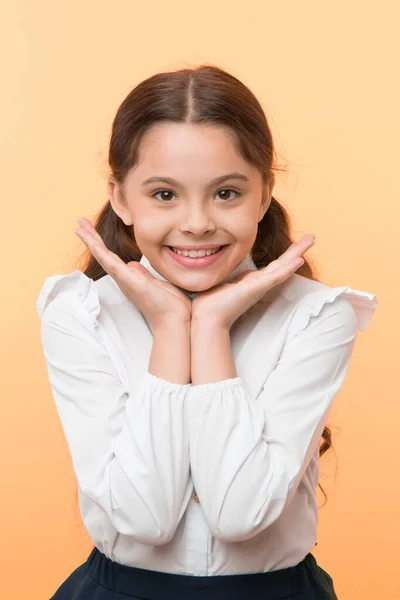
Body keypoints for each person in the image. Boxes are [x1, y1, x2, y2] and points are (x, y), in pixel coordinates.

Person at [37, 64, 377, 600]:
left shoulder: (316, 315)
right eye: (165, 195)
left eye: (226, 193)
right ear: (121, 198)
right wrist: (174, 326)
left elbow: (241, 514)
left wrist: (211, 327)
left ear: (264, 195)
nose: (197, 223)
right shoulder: (79, 312)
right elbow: (142, 518)